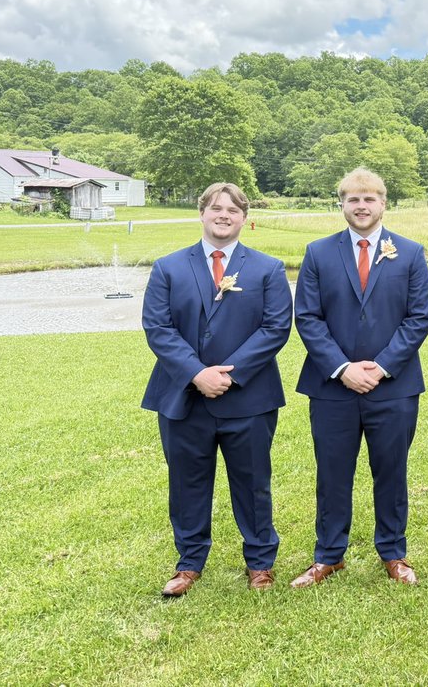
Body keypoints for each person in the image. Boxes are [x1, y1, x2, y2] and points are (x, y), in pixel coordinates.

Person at [142, 182, 292, 597]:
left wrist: (229, 374)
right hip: (183, 397)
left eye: (232, 210)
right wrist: (196, 373)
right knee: (187, 482)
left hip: (249, 398)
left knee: (253, 481)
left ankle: (260, 563)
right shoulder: (168, 267)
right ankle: (189, 563)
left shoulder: (268, 269)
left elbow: (276, 327)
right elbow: (158, 328)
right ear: (202, 213)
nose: (223, 215)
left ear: (245, 218)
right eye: (215, 208)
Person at [291, 167, 428, 587]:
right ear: (342, 204)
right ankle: (329, 555)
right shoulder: (318, 253)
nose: (362, 206)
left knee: (391, 470)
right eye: (353, 199)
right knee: (332, 471)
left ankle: (393, 553)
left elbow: (420, 317)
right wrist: (343, 368)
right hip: (332, 386)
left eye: (369, 198)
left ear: (383, 203)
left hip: (394, 387)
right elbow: (309, 318)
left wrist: (382, 366)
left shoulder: (409, 253)